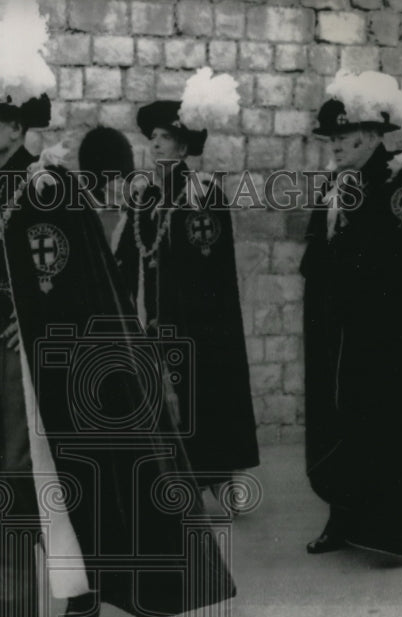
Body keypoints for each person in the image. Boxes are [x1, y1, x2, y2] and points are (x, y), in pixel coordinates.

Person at [0, 19, 235, 617]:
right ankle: (8, 600)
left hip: (48, 366)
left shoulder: (52, 187)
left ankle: (81, 594)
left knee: (61, 474)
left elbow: (84, 288)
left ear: (16, 126)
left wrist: (39, 330)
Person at [300, 70, 402, 559]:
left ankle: (401, 526)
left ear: (372, 136)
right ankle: (343, 517)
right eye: (330, 138)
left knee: (389, 427)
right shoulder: (334, 185)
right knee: (340, 423)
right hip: (340, 330)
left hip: (389, 332)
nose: (334, 146)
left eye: (344, 137)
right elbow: (315, 253)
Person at [114, 69, 259, 502]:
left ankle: (215, 482)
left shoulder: (202, 192)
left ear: (183, 144)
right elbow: (129, 251)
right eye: (152, 136)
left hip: (197, 320)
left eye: (164, 136)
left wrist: (183, 315)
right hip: (154, 315)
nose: (155, 143)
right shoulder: (144, 195)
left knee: (202, 398)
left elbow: (207, 261)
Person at [77, 125, 135, 249]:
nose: (122, 181)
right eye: (116, 177)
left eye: (124, 176)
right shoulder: (89, 222)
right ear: (101, 183)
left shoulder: (136, 216)